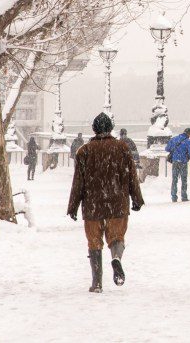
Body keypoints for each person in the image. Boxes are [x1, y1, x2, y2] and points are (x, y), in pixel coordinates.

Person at [67, 113, 144, 293]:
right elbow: (131, 176)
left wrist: (73, 206)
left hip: (93, 205)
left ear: (94, 129)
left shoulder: (84, 151)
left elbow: (78, 181)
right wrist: (137, 199)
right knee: (117, 238)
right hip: (117, 203)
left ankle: (97, 283)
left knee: (94, 242)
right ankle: (116, 257)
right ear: (110, 128)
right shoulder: (122, 148)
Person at [165, 128, 190, 202]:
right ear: (189, 134)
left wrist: (175, 152)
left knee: (174, 179)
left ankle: (174, 197)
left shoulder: (174, 139)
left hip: (175, 161)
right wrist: (186, 156)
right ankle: (184, 197)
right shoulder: (188, 141)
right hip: (183, 162)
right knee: (184, 180)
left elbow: (167, 148)